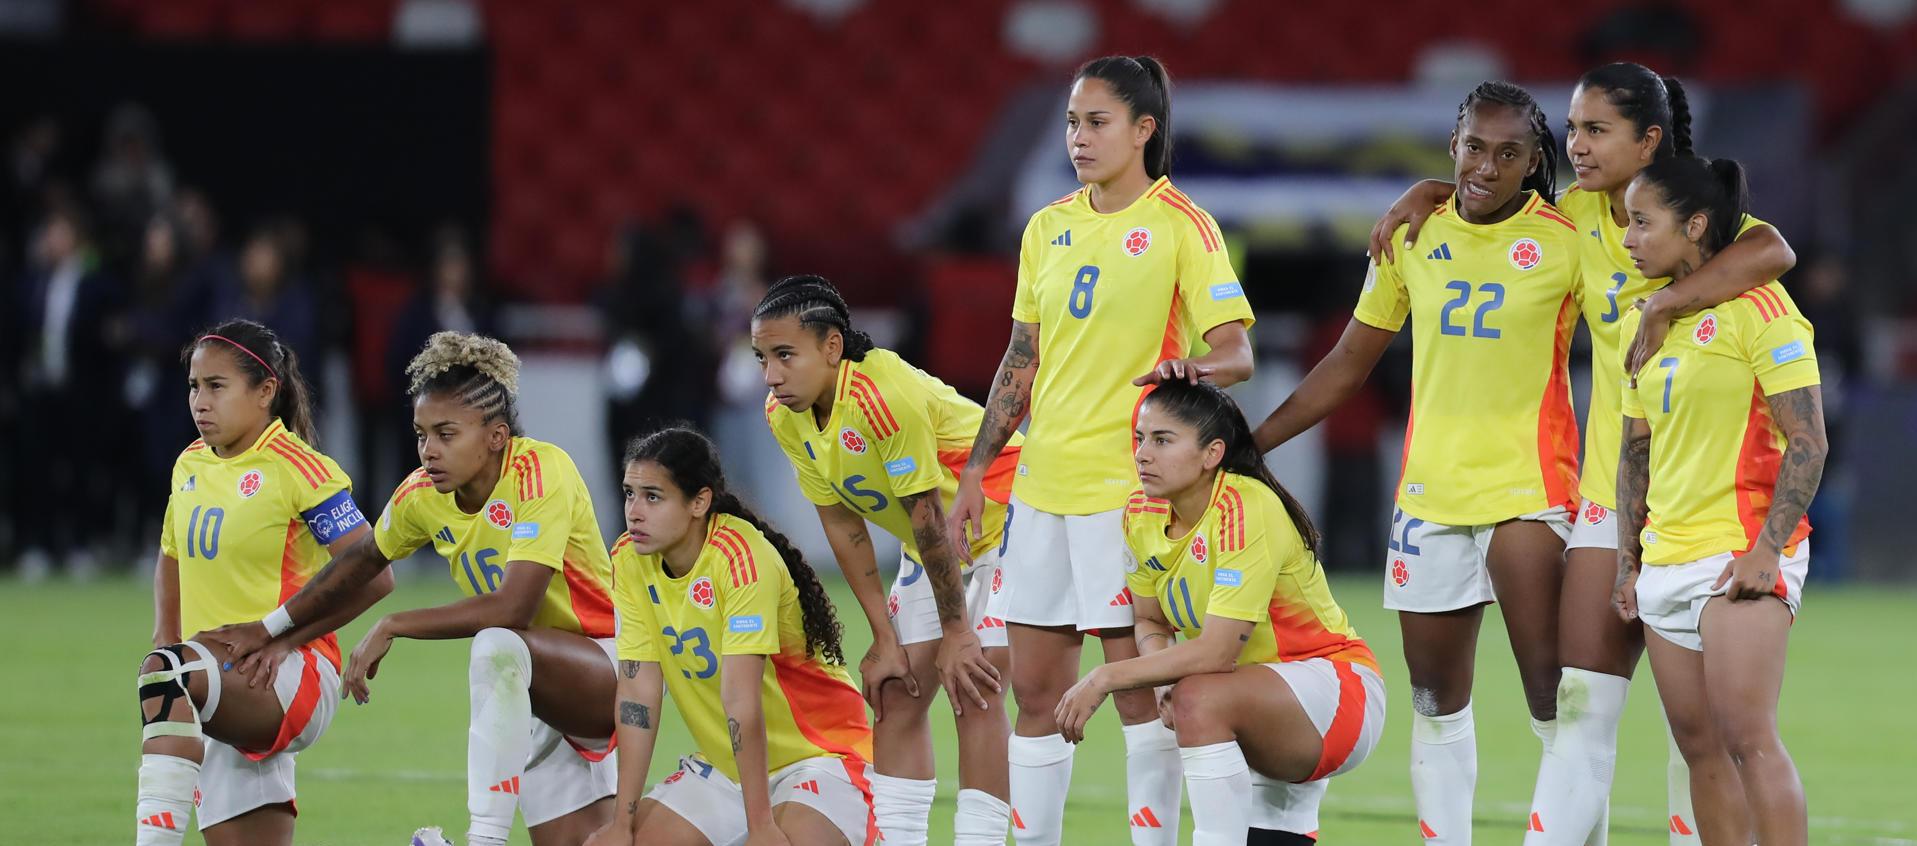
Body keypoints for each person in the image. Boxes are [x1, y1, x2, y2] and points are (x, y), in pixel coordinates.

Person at [1368, 63, 1797, 845]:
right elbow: (1489, 200)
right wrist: (1429, 190)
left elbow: (1773, 248)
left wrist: (1668, 301)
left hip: (1711, 505)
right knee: (1578, 703)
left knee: (1699, 728)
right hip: (1610, 495)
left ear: (1649, 141)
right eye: (1572, 130)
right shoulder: (1570, 218)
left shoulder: (1696, 218)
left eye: (1596, 129)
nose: (1577, 145)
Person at [1254, 81, 1581, 846]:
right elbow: (1346, 363)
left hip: (1529, 488)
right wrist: (1252, 444)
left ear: (1535, 162)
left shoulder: (1569, 239)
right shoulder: (1411, 235)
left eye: (1509, 154)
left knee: (1551, 698)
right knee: (1434, 699)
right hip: (1428, 496)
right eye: (1474, 148)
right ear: (1452, 144)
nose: (1487, 167)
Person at [948, 54, 1255, 846]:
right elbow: (1021, 359)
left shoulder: (1181, 224)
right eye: (1070, 123)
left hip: (1127, 494)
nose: (1077, 138)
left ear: (1142, 129)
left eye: (1096, 122)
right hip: (1040, 490)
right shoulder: (1046, 227)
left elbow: (1235, 352)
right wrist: (977, 469)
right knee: (1035, 693)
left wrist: (1192, 368)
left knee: (1135, 696)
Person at [208, 331, 621, 846]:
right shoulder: (422, 496)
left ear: (496, 436)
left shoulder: (540, 472)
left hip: (606, 666)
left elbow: (514, 607)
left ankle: (483, 840)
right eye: (422, 434)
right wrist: (273, 630)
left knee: (496, 644)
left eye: (447, 434)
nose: (429, 451)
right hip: (534, 692)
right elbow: (359, 564)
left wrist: (395, 624)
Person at [1054, 380, 1385, 845]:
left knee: (1197, 697)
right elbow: (1150, 620)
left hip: (1332, 693)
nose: (1142, 455)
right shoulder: (1142, 513)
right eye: (1140, 439)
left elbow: (1217, 652)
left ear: (1212, 453)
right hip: (1252, 698)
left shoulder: (1243, 505)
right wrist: (1163, 680)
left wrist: (1105, 677)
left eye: (1163, 440)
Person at [753, 274, 1019, 845]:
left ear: (831, 347)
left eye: (784, 356)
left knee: (975, 681)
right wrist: (883, 635)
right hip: (933, 544)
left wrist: (956, 633)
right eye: (762, 359)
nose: (771, 375)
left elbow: (927, 515)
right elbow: (841, 522)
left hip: (1007, 521)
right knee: (897, 690)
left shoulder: (880, 397)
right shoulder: (783, 415)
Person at [1615, 155, 1823, 846]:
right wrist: (1628, 562)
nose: (1627, 239)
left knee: (1746, 739)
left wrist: (1767, 550)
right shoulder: (1643, 321)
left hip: (1738, 553)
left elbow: (1808, 440)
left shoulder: (1763, 310)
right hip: (1664, 560)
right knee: (1700, 751)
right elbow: (1635, 452)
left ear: (1695, 226)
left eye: (1642, 222)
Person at [134, 319, 391, 846]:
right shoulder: (190, 463)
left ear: (265, 391)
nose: (200, 402)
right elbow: (171, 554)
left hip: (291, 670)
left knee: (166, 674)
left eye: (216, 386)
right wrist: (167, 639)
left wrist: (281, 636)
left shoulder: (298, 467)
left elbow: (375, 573)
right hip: (218, 674)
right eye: (193, 386)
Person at [589, 427, 876, 846]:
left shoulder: (741, 558)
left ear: (699, 502)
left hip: (819, 756)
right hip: (727, 768)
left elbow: (741, 699)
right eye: (629, 494)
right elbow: (638, 694)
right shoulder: (629, 560)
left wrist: (761, 827)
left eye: (653, 497)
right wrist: (621, 823)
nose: (634, 511)